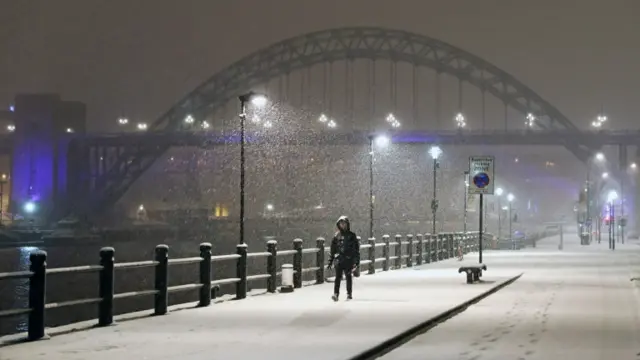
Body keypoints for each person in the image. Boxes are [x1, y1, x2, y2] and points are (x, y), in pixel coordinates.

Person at [327, 215, 360, 301]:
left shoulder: (352, 236)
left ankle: (349, 294)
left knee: (348, 276)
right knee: (338, 277)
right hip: (339, 259)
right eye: (341, 223)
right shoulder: (337, 236)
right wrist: (330, 260)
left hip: (348, 259)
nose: (342, 225)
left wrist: (356, 262)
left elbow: (356, 249)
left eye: (344, 223)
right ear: (339, 224)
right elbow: (333, 249)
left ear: (347, 224)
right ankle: (336, 294)